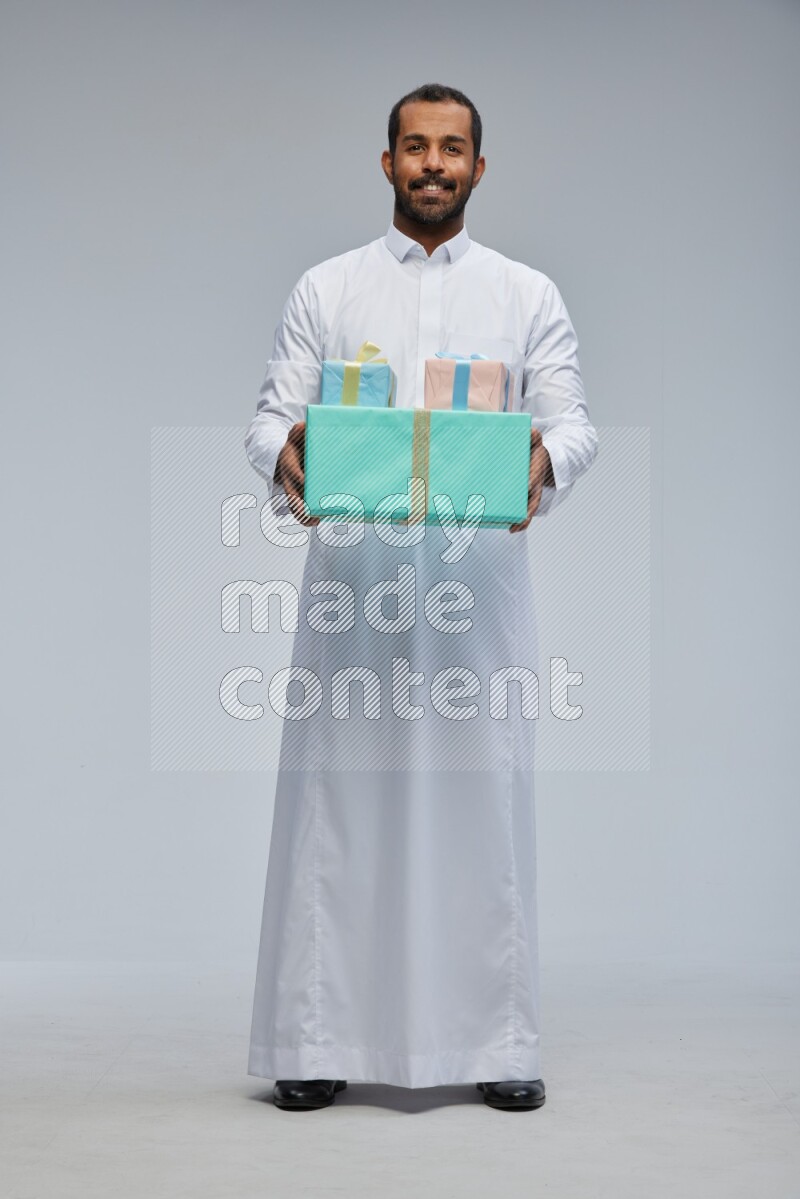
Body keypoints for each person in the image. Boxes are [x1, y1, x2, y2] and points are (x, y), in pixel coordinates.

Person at [244, 83, 598, 1112]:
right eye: (414, 146)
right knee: (337, 806)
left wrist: (540, 460)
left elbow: (573, 423)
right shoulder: (327, 286)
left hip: (473, 598)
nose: (432, 163)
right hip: (351, 592)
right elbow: (269, 415)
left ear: (478, 167)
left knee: (476, 803)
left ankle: (496, 1038)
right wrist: (290, 454)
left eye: (452, 148)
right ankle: (312, 1040)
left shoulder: (526, 294)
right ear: (387, 161)